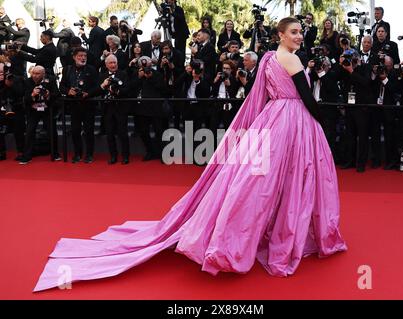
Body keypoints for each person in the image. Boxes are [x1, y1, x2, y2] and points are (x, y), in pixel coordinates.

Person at [33, 17, 347, 292]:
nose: (299, 36)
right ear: (280, 34)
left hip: (272, 119)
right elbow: (306, 98)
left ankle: (254, 228)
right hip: (293, 122)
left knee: (261, 180)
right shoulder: (291, 59)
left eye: (300, 32)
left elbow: (260, 95)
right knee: (286, 178)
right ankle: (267, 232)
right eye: (293, 32)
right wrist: (322, 122)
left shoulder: (268, 58)